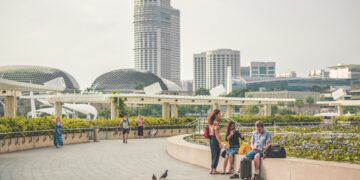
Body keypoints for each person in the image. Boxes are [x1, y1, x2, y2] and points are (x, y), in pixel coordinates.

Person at [208, 109, 222, 175]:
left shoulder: (211, 122)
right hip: (215, 139)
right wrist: (220, 143)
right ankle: (214, 170)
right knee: (216, 155)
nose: (220, 115)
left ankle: (212, 169)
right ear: (216, 115)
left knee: (213, 155)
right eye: (219, 114)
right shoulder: (215, 122)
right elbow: (216, 133)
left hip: (211, 139)